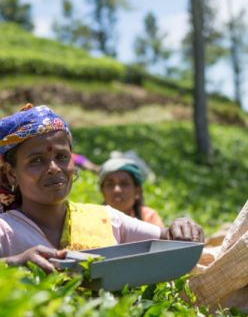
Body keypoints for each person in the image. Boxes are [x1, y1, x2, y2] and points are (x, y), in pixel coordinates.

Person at [0, 104, 204, 273]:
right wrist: (15, 263)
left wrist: (182, 227)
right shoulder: (5, 230)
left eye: (62, 157)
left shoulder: (106, 219)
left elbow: (166, 238)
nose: (54, 169)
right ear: (11, 173)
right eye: (37, 160)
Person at [99, 158, 164, 226]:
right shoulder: (93, 218)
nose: (117, 190)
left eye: (124, 183)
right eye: (110, 184)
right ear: (102, 190)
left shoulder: (149, 217)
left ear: (137, 190)